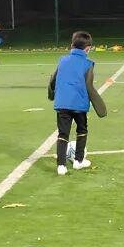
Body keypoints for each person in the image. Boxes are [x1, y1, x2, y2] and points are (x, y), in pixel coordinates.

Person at [47, 31, 107, 176]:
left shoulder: (62, 60)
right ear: (88, 48)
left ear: (72, 45)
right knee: (82, 130)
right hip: (79, 104)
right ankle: (78, 161)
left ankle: (61, 166)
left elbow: (53, 79)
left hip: (62, 103)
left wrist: (51, 95)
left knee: (63, 133)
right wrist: (101, 109)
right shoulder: (88, 64)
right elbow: (89, 87)